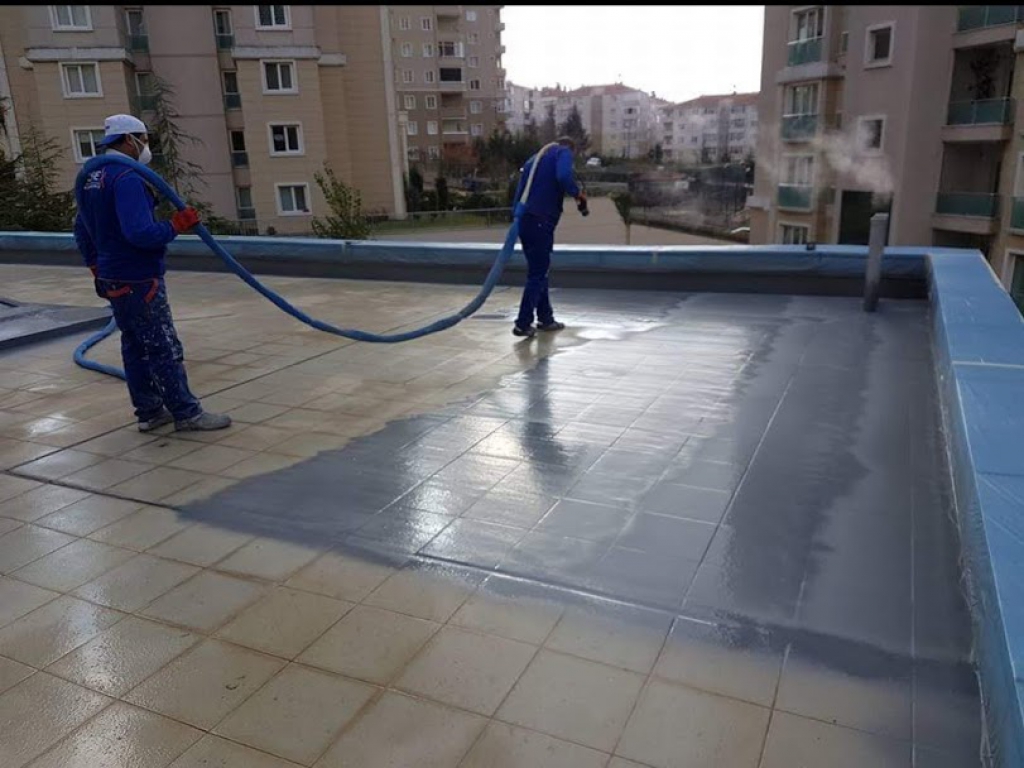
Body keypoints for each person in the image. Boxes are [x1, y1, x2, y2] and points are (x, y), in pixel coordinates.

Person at [73, 114, 232, 433]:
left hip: (113, 276)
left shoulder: (92, 177)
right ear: (128, 140)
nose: (146, 146)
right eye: (143, 140)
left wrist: (97, 268)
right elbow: (141, 234)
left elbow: (81, 229)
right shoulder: (127, 178)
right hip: (138, 278)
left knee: (134, 345)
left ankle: (149, 412)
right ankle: (186, 413)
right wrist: (175, 225)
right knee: (162, 345)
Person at [511, 136, 588, 338]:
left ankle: (545, 318)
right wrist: (577, 194)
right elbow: (563, 176)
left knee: (539, 271)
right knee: (538, 273)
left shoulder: (534, 159)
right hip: (540, 220)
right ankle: (522, 324)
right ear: (571, 148)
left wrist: (516, 217)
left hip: (525, 220)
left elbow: (520, 191)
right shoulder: (562, 152)